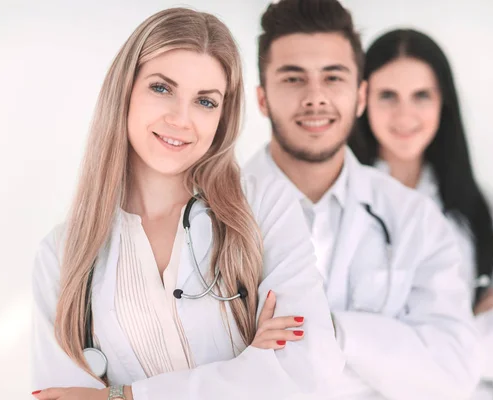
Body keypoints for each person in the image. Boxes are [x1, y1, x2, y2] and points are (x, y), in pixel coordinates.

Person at [31, 7, 345, 400]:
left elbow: (311, 372)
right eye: (161, 88)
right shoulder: (62, 255)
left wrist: (123, 395)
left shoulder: (263, 206)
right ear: (125, 89)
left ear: (222, 117)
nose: (181, 118)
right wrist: (252, 367)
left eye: (205, 102)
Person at [244, 1, 482, 399]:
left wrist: (336, 332)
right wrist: (389, 351)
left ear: (360, 95)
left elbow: (454, 371)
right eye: (293, 79)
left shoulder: (413, 217)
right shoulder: (210, 211)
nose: (315, 98)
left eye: (333, 78)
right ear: (263, 98)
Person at [349, 28, 493, 400]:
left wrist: (391, 341)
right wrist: (463, 326)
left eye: (421, 96)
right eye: (388, 96)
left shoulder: (479, 209)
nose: (405, 114)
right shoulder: (341, 202)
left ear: (443, 103)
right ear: (362, 100)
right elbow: (335, 342)